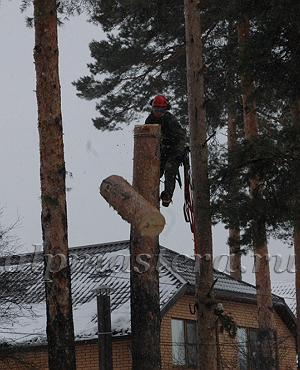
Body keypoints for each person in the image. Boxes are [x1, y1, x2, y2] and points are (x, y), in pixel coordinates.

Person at [145, 94, 186, 207]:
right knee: (154, 170)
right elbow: (146, 136)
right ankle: (148, 192)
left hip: (173, 150)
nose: (158, 112)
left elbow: (181, 137)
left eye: (161, 110)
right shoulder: (150, 119)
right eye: (156, 109)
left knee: (170, 170)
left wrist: (178, 152)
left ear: (165, 109)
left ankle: (167, 195)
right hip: (160, 150)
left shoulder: (171, 120)